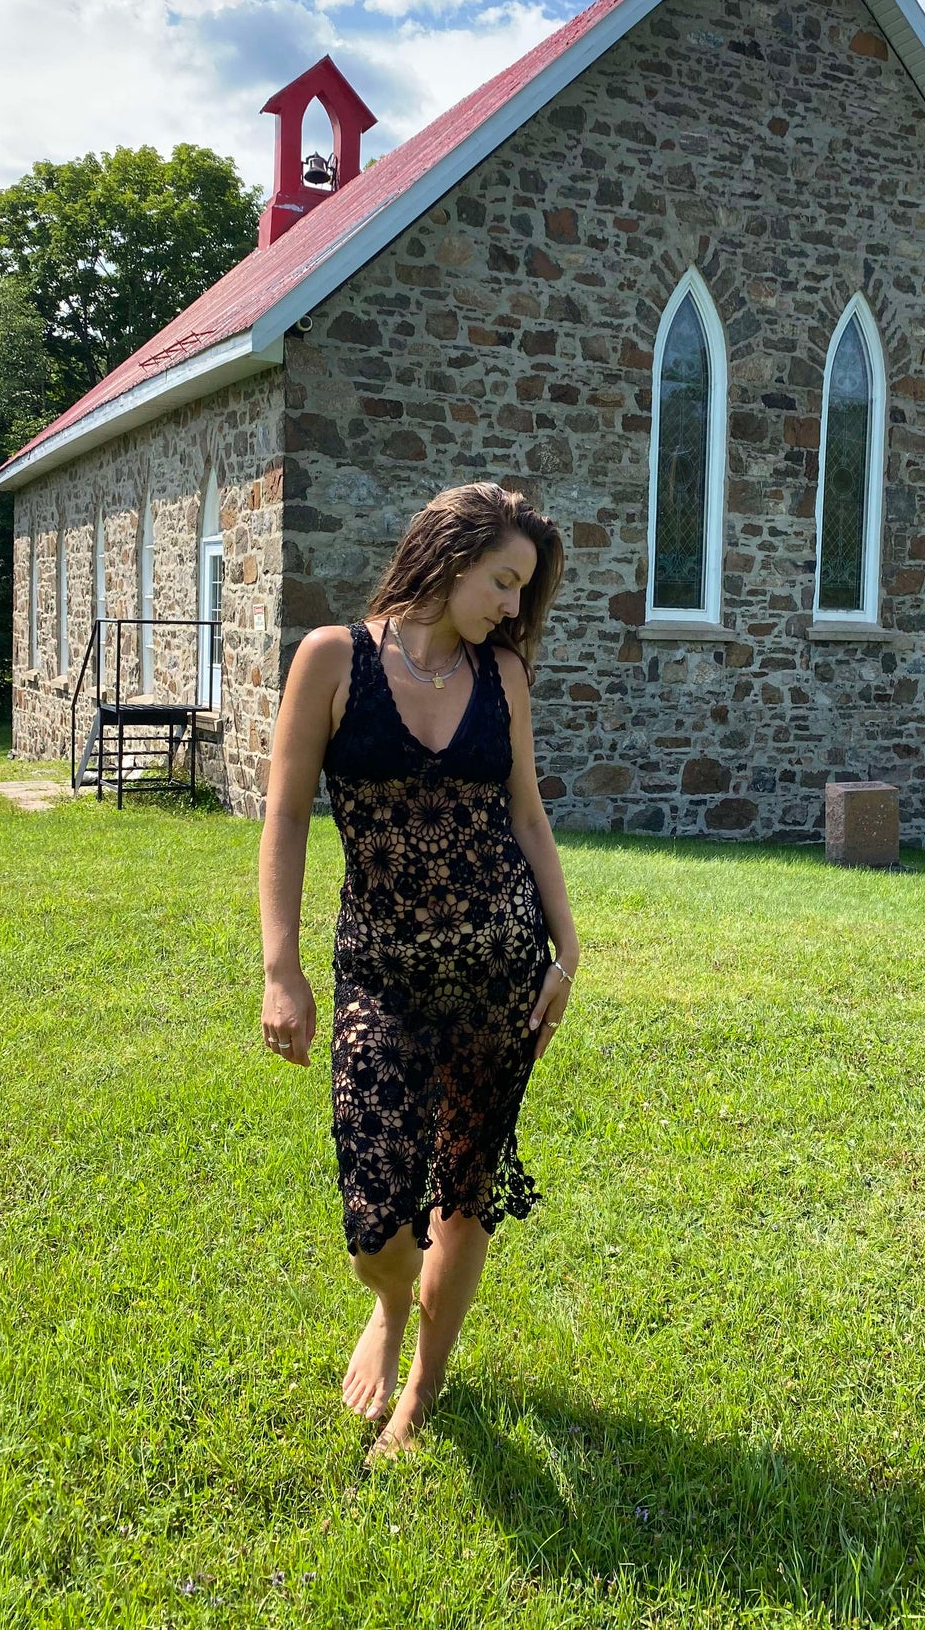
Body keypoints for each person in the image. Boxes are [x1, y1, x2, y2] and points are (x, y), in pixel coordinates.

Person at [257, 481, 578, 1460]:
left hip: (499, 972)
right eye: (503, 582)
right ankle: (389, 1305)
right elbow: (282, 817)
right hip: (381, 977)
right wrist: (282, 967)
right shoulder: (332, 660)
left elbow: (527, 816)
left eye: (523, 591)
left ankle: (421, 1393)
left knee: (465, 1186)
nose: (512, 608)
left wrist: (568, 945)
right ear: (448, 557)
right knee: (374, 1212)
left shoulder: (503, 679)